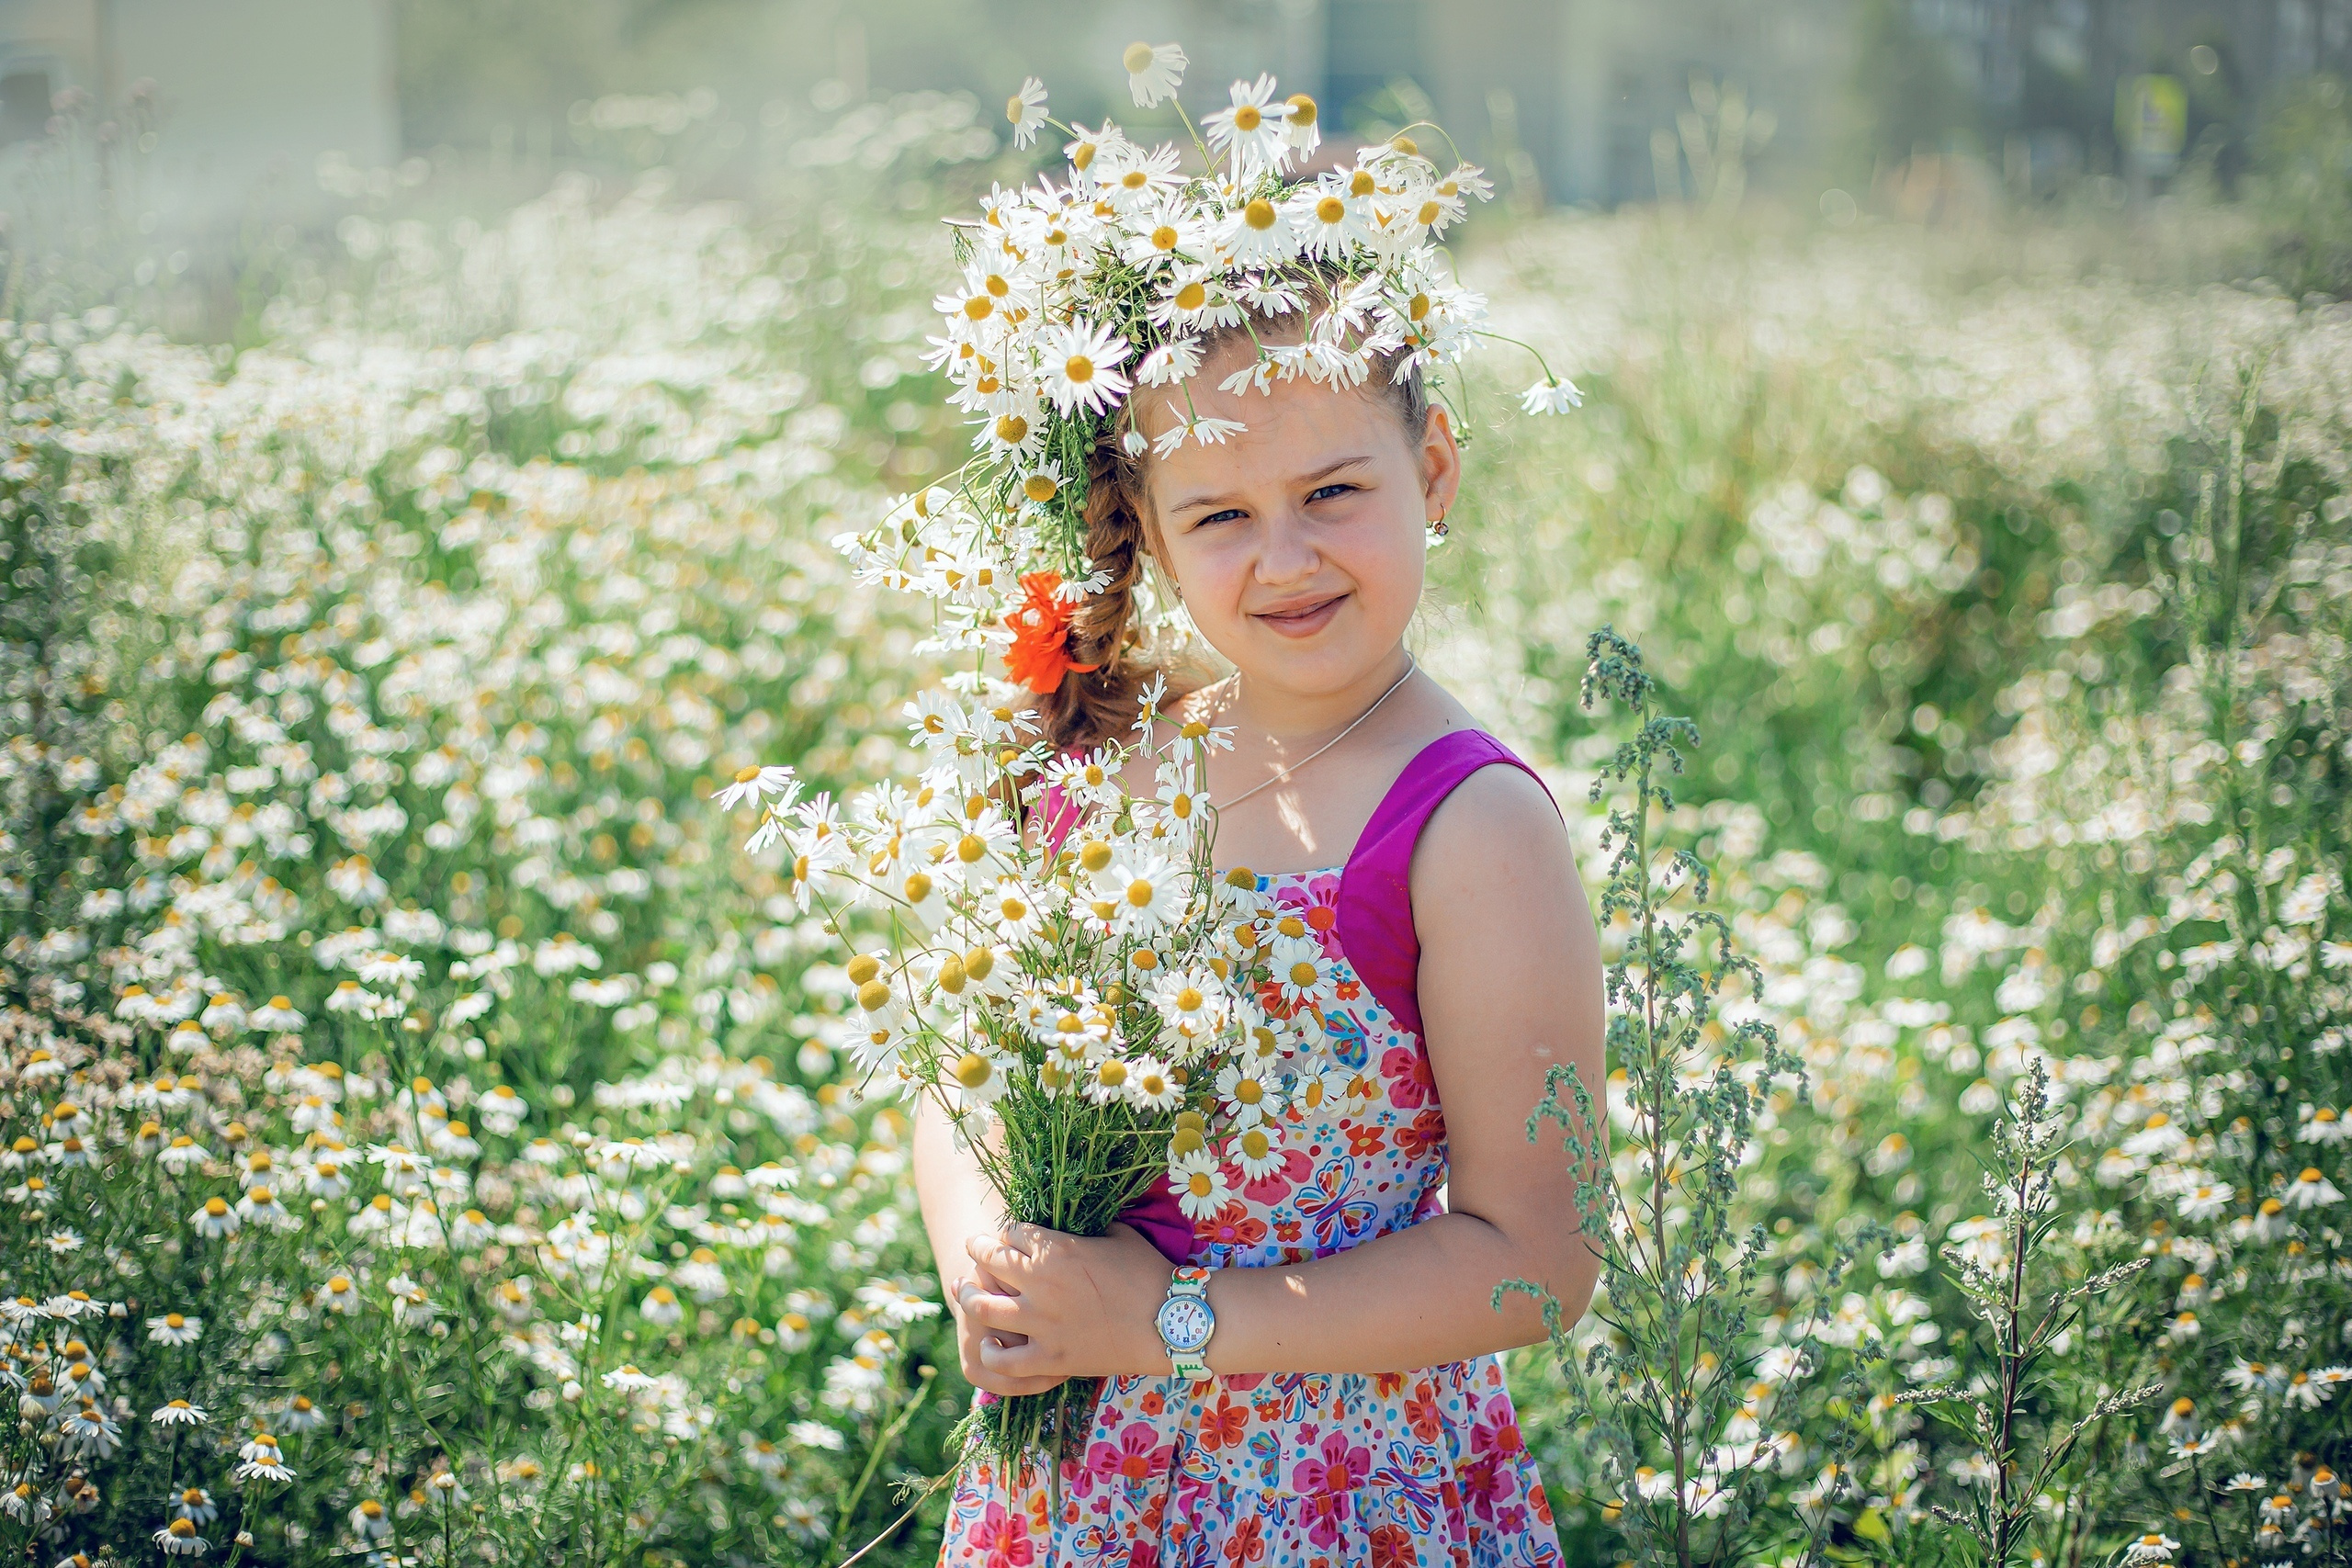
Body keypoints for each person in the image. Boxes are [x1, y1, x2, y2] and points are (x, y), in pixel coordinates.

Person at [914, 280, 1609, 1566]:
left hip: (1340, 1496)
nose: (1286, 559)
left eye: (1334, 493)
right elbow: (965, 1081)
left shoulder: (1468, 825)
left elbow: (1538, 1260)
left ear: (1435, 469)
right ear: (1149, 534)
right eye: (1221, 514)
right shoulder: (1105, 769)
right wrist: (990, 1266)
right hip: (1074, 1490)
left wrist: (1163, 1321)